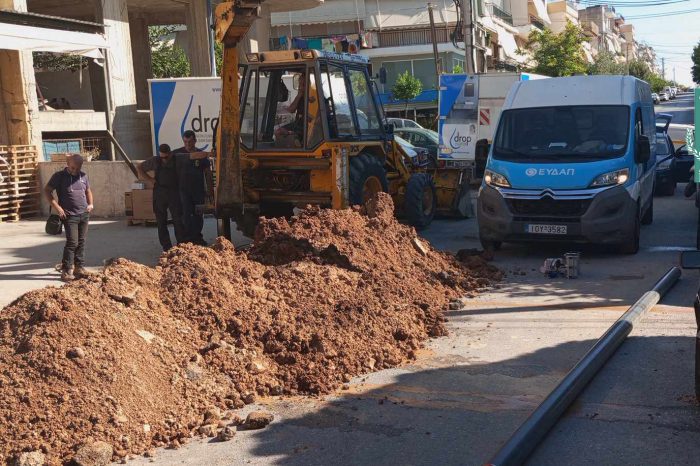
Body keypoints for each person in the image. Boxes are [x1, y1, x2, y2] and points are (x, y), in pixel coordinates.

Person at [43, 154, 93, 282]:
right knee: (72, 242)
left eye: (77, 168)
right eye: (72, 168)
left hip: (84, 214)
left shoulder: (83, 176)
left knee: (81, 241)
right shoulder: (59, 176)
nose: (74, 171)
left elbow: (88, 191)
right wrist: (58, 208)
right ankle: (66, 270)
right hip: (69, 215)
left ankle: (79, 268)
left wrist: (90, 204)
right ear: (67, 163)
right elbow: (47, 190)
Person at [137, 143, 187, 251]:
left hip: (174, 192)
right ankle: (166, 247)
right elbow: (140, 167)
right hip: (160, 192)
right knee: (161, 221)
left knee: (178, 220)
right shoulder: (155, 160)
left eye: (166, 157)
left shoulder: (176, 158)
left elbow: (192, 156)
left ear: (170, 153)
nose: (164, 159)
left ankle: (181, 245)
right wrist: (149, 179)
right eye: (162, 157)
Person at [173, 130, 214, 245]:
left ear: (195, 141)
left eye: (190, 142)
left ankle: (197, 237)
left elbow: (207, 173)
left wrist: (210, 190)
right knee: (185, 214)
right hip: (182, 190)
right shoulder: (178, 154)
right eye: (185, 142)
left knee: (198, 214)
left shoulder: (201, 155)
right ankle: (186, 239)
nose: (188, 144)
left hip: (198, 190)